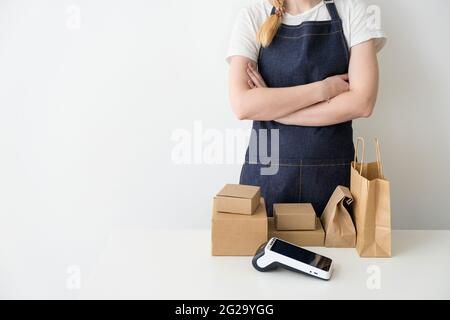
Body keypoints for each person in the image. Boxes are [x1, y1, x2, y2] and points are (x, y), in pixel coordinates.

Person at [226, 0, 386, 216]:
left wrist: (279, 111)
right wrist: (323, 89)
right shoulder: (254, 15)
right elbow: (242, 105)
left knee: (336, 252)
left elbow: (362, 103)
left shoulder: (353, 10)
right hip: (266, 179)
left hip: (334, 188)